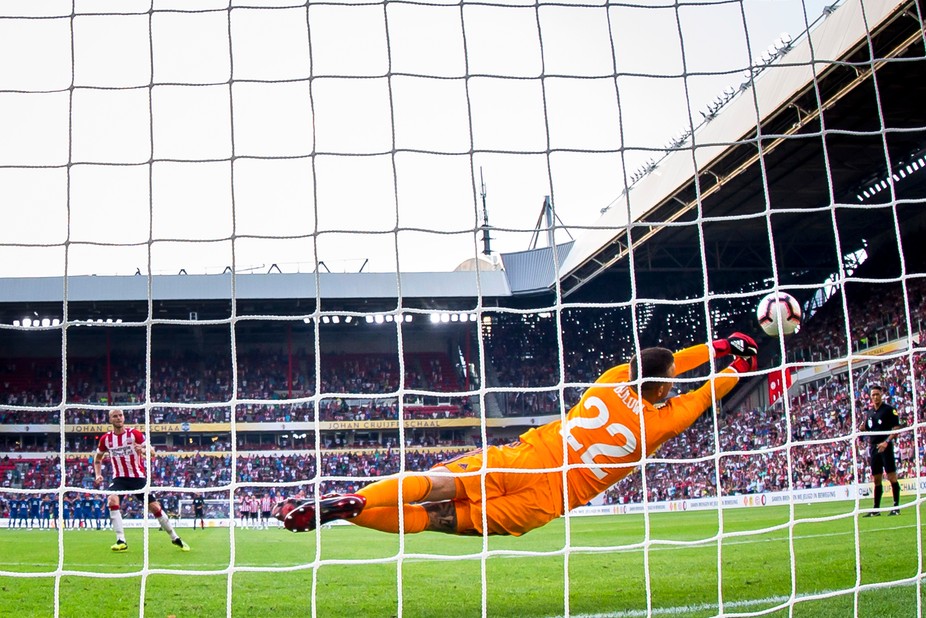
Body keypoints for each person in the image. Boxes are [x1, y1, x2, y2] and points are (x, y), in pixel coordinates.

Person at [274, 334, 759, 536]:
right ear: (667, 386)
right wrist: (738, 363)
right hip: (546, 500)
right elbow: (710, 390)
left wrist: (716, 344)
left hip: (527, 455)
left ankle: (351, 502)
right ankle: (348, 516)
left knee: (434, 483)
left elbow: (665, 361)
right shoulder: (665, 419)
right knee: (438, 519)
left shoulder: (613, 378)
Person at [93, 408, 190, 552]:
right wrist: (98, 474)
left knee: (155, 508)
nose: (118, 418)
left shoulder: (135, 434)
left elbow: (152, 453)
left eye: (120, 415)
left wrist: (143, 449)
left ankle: (175, 537)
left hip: (137, 478)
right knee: (112, 500)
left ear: (124, 418)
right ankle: (121, 540)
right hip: (119, 478)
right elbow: (98, 459)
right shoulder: (106, 439)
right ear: (110, 420)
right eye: (115, 416)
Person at [860, 384, 902, 516]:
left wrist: (886, 442)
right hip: (873, 448)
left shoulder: (889, 410)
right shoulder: (870, 413)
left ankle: (896, 506)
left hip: (886, 446)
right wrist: (861, 426)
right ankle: (876, 509)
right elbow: (865, 427)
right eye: (873, 395)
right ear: (870, 397)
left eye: (877, 394)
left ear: (881, 395)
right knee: (876, 479)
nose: (875, 397)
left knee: (891, 476)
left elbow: (896, 429)